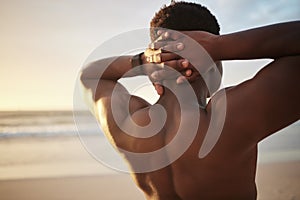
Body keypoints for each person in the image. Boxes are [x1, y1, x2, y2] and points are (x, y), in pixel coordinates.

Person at [80, 2, 300, 200]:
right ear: (213, 62)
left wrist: (141, 61)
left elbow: (90, 75)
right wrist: (218, 46)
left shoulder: (129, 125)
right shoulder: (227, 119)